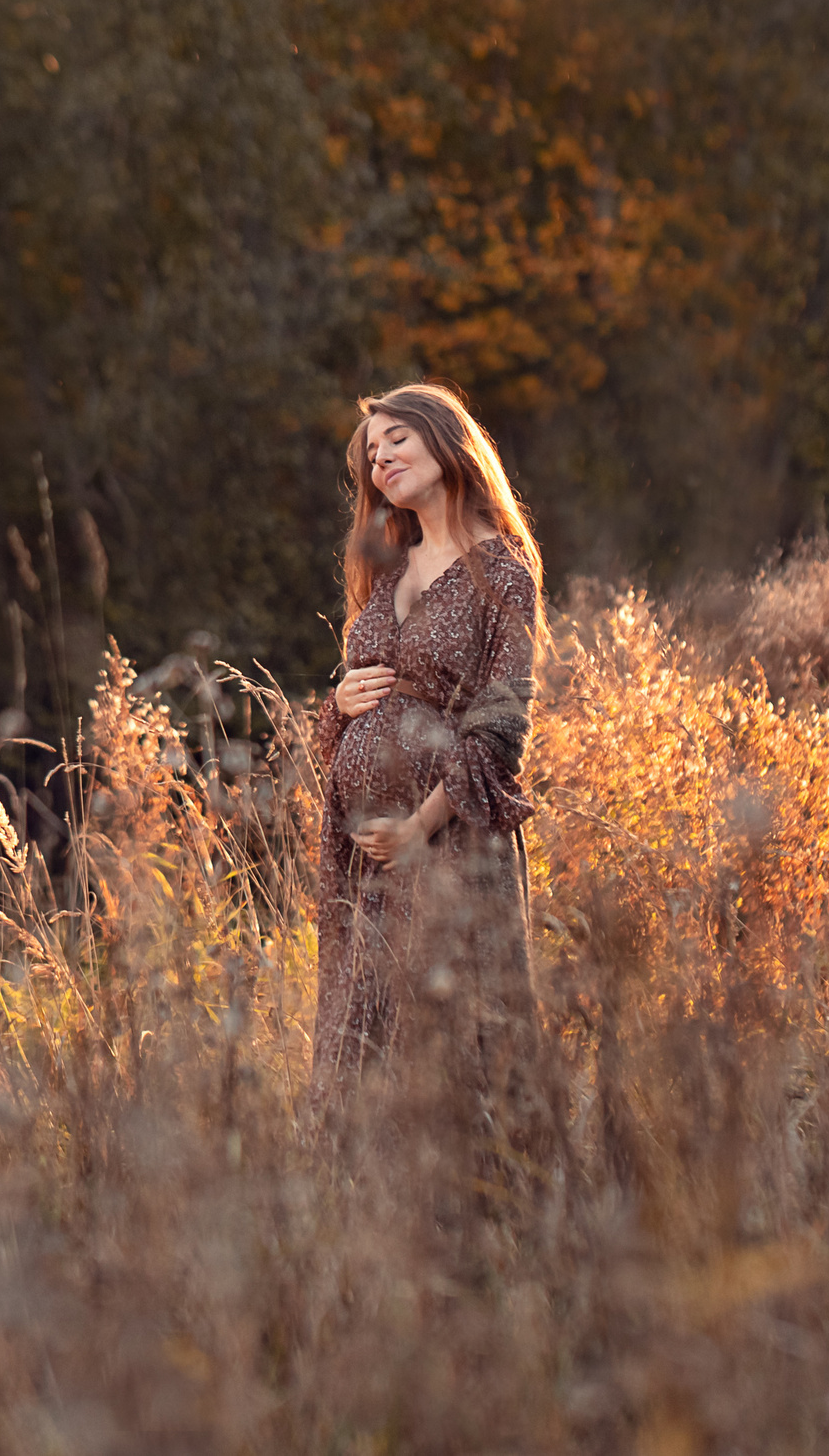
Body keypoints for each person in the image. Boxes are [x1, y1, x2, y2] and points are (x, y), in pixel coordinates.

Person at [309, 381, 545, 1115]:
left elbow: (501, 727)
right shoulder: (386, 571)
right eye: (370, 454)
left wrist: (419, 827)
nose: (379, 459)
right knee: (361, 1038)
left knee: (449, 1039)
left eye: (396, 440)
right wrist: (339, 703)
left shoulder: (502, 575)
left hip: (446, 842)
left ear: (445, 438)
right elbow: (349, 713)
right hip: (361, 855)